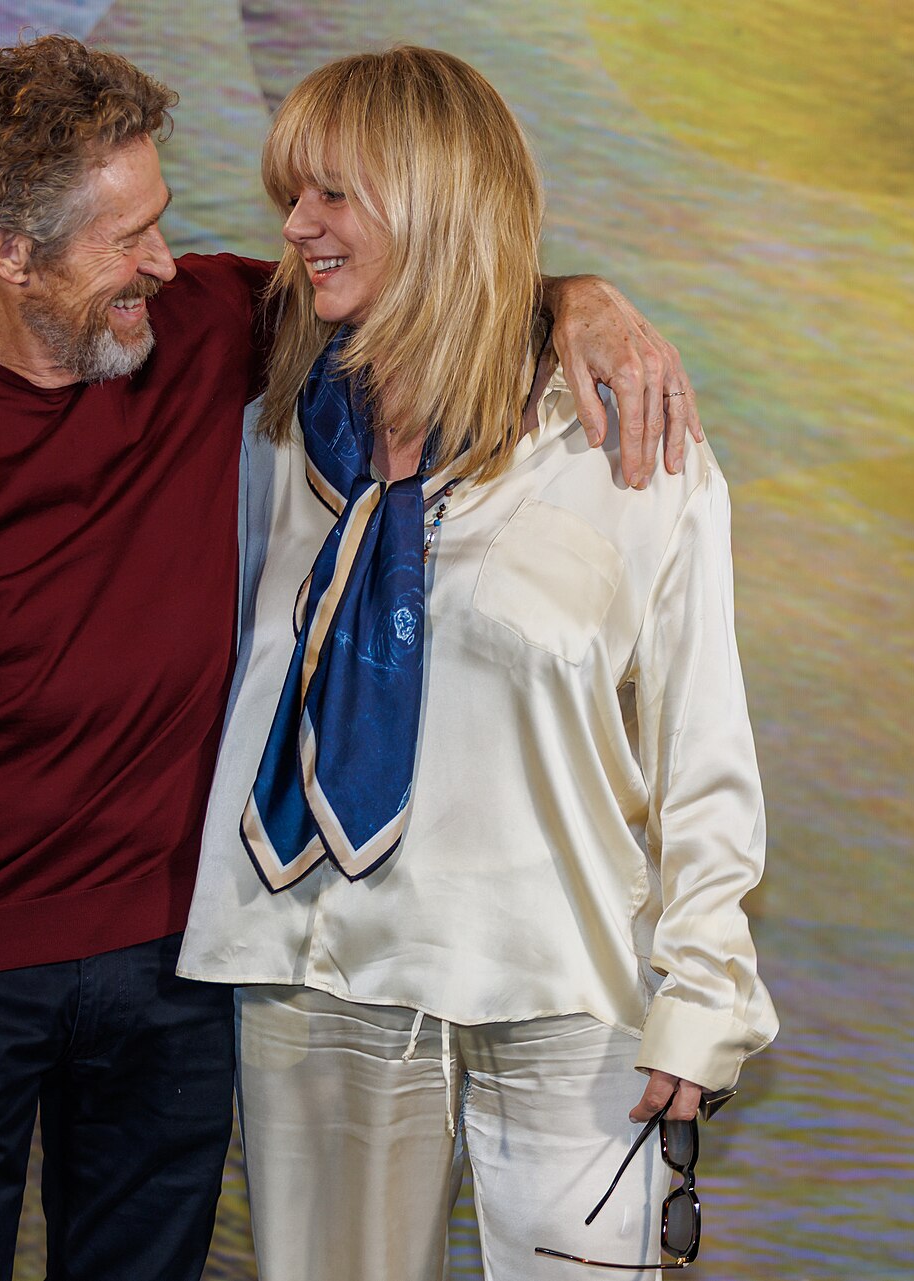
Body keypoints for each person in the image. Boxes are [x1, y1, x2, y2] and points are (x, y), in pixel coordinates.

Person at [0, 34, 700, 1281]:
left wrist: (576, 296)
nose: (167, 259)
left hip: (178, 964)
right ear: (8, 253)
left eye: (162, 222)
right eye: (126, 238)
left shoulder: (201, 326)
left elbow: (421, 271)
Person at [172, 47, 778, 1280]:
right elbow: (62, 314)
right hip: (314, 964)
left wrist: (703, 992)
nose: (296, 226)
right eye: (292, 195)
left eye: (332, 195)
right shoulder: (273, 425)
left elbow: (702, 744)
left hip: (563, 980)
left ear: (438, 198)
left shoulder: (624, 439)